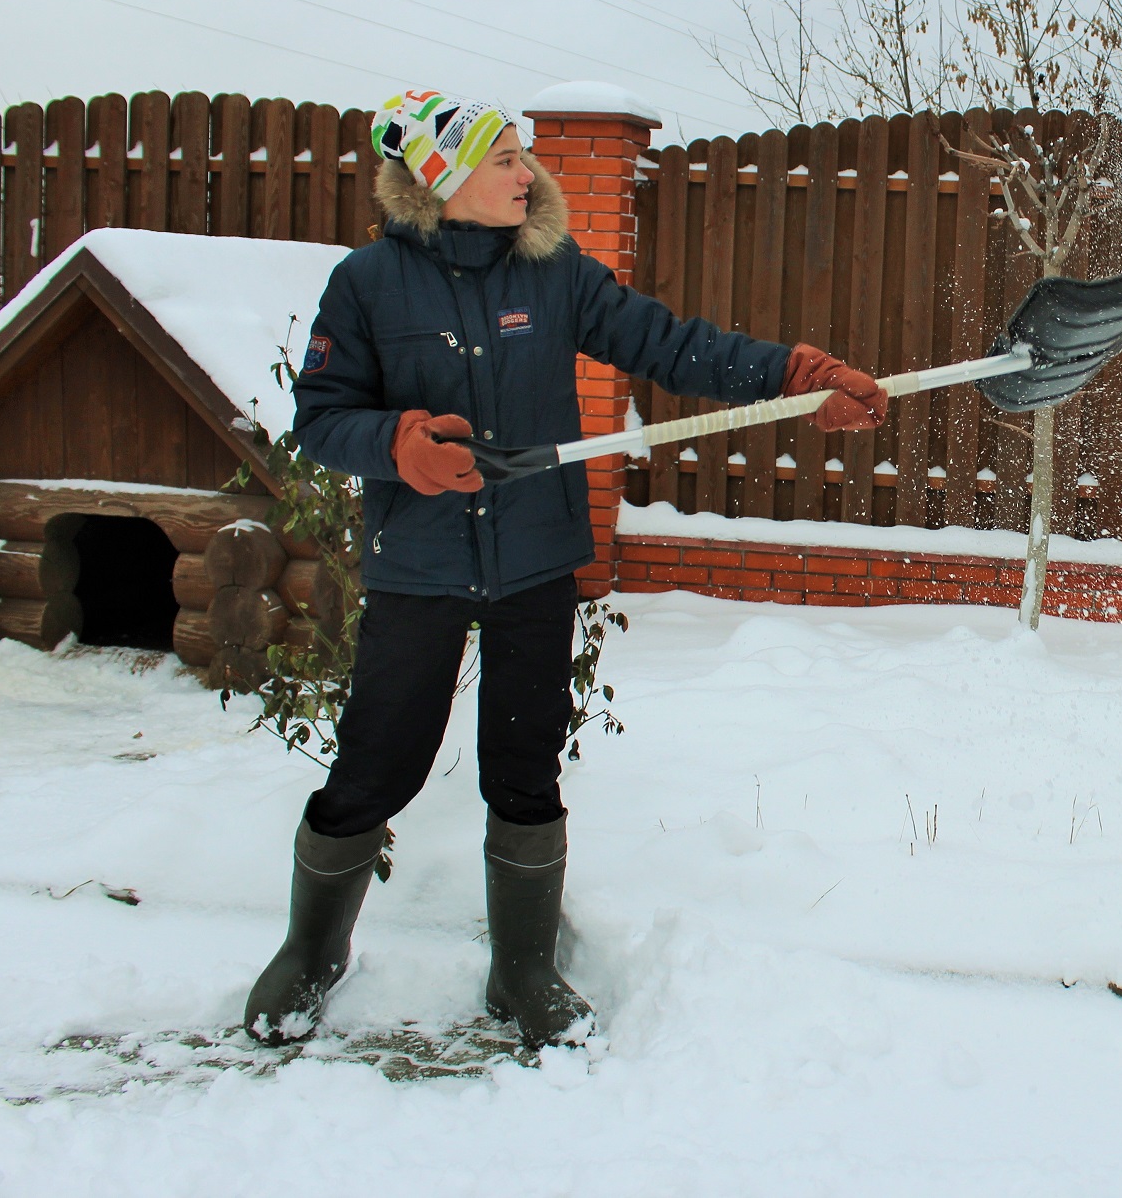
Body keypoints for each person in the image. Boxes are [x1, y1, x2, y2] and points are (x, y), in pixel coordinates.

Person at [243, 90, 887, 1048]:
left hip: (534, 561)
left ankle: (523, 971)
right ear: (440, 175)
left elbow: (670, 344)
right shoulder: (368, 284)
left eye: (525, 156)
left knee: (525, 762)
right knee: (379, 761)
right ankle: (310, 954)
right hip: (418, 566)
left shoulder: (552, 273)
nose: (526, 172)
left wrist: (796, 377)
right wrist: (402, 445)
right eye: (504, 157)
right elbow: (322, 420)